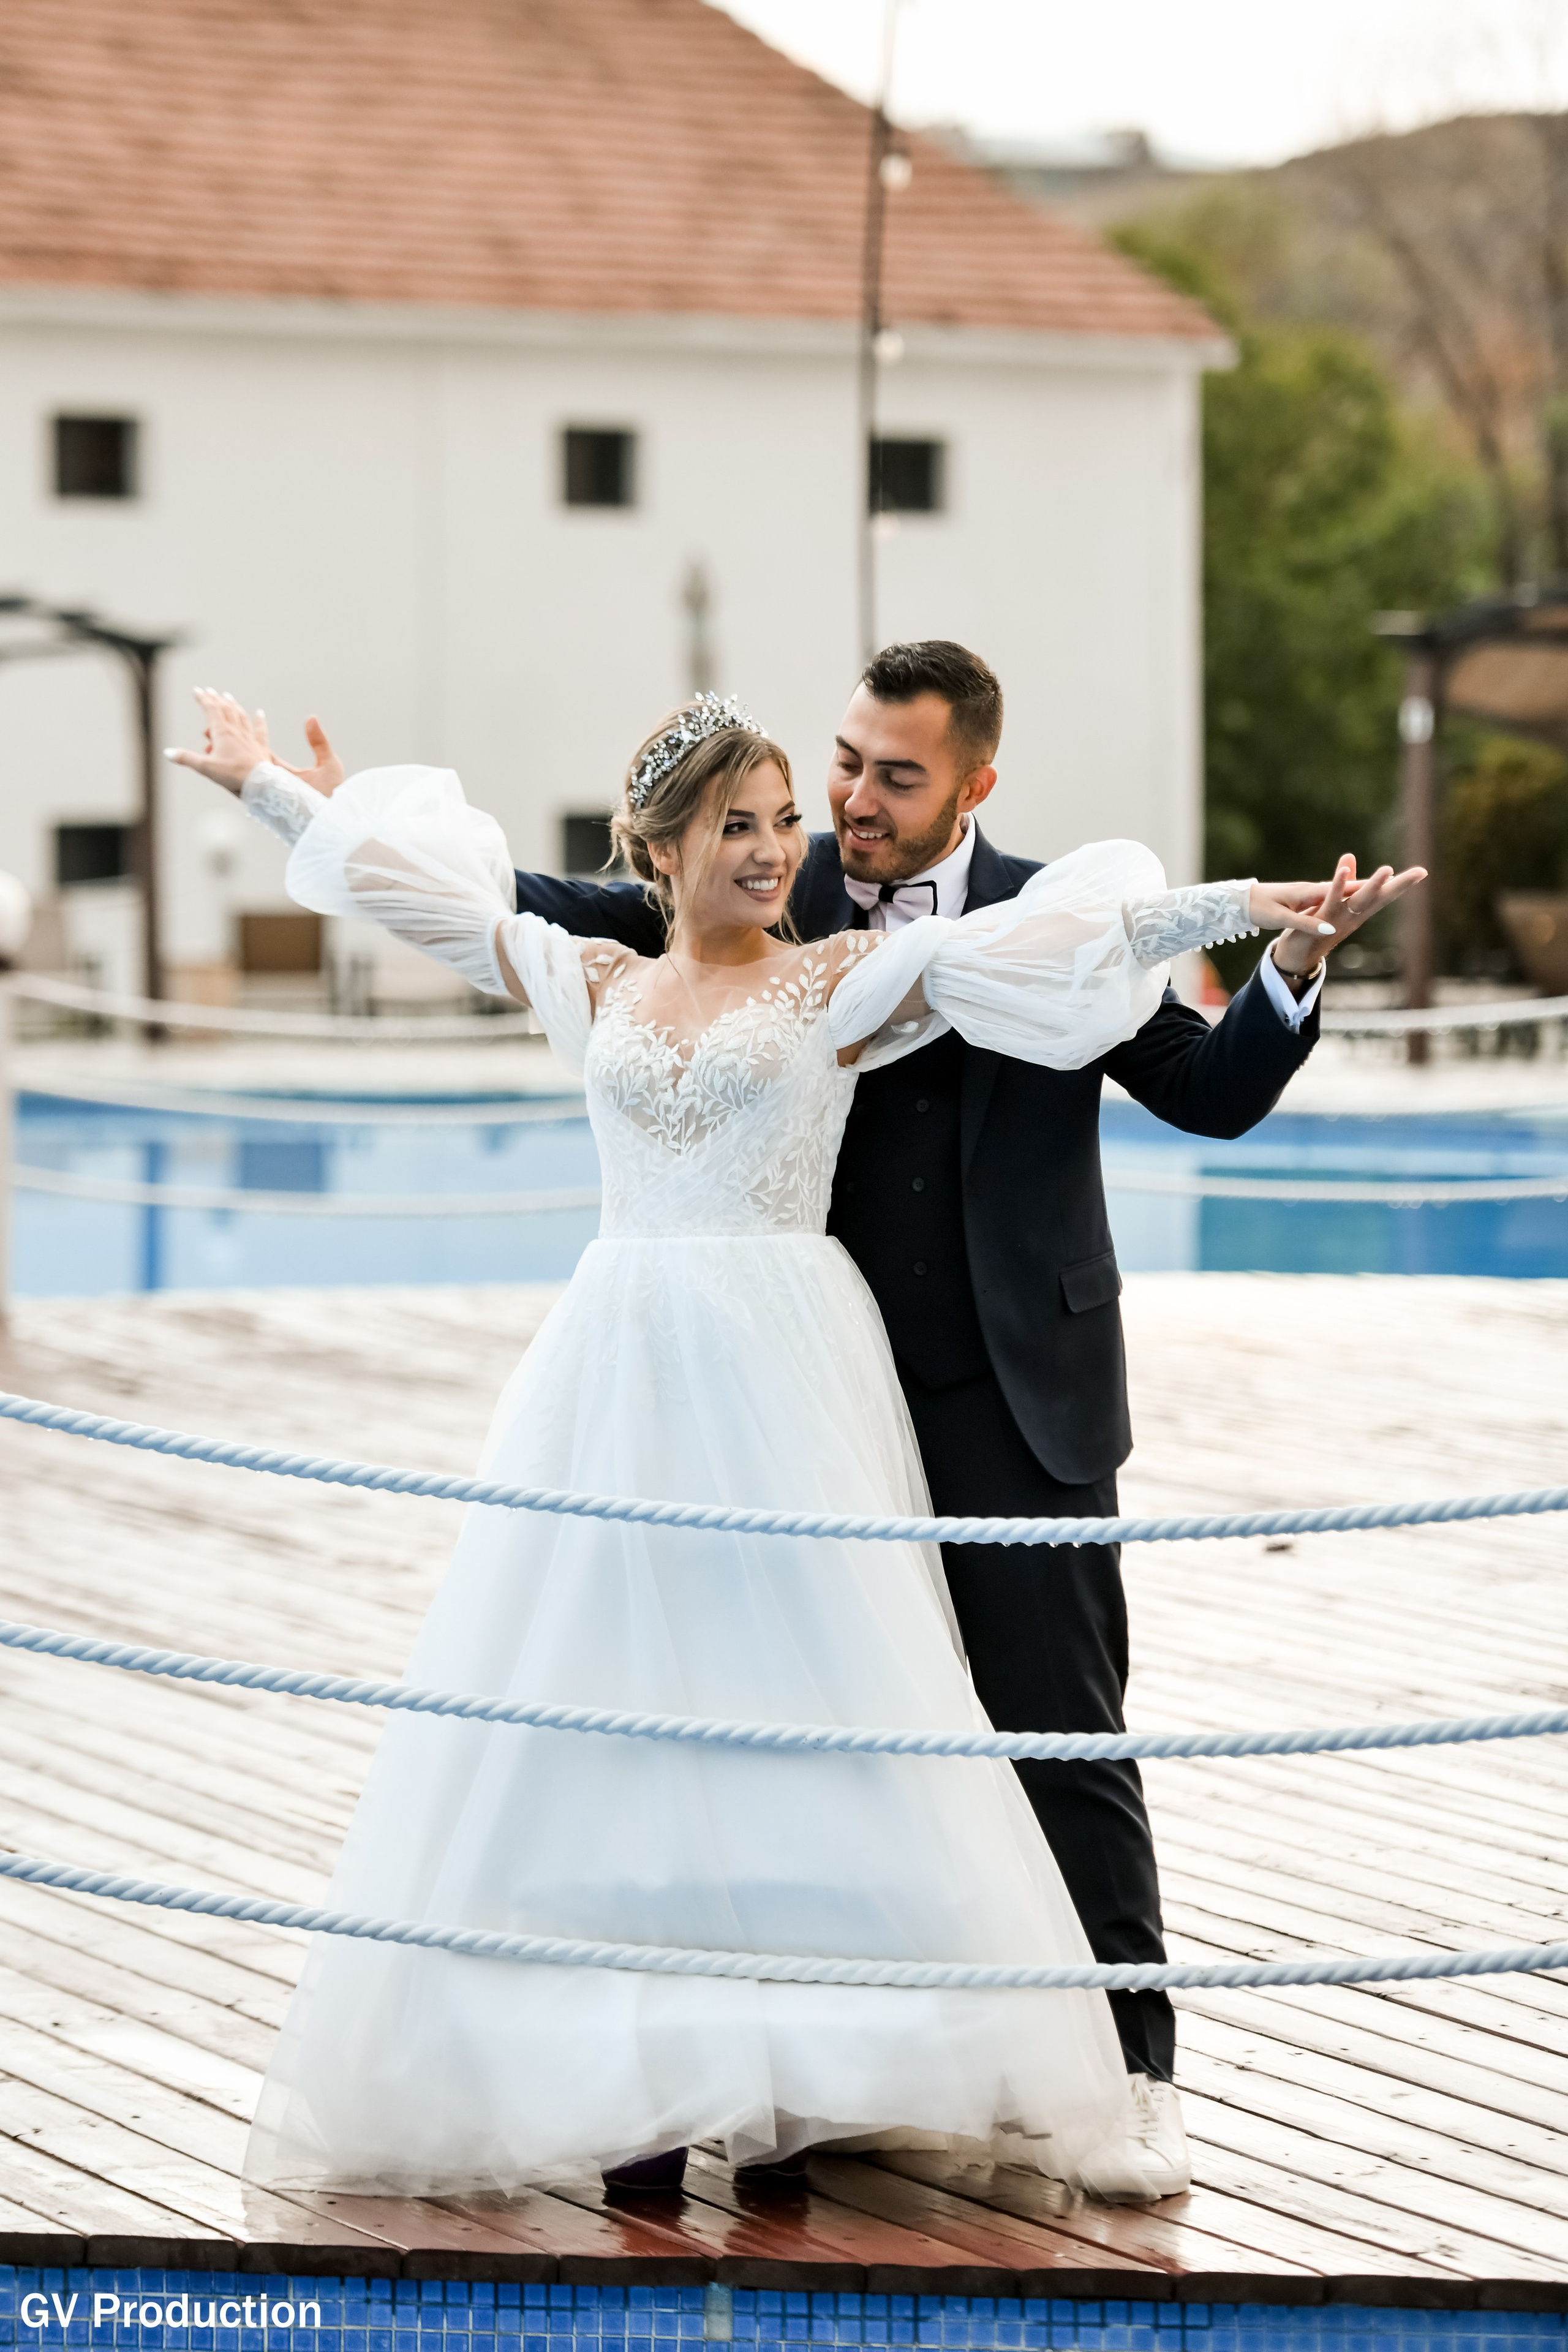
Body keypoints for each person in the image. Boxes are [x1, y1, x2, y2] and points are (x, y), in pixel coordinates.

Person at [167, 684, 1407, 2203]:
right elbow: (433, 904)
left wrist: (1241, 913)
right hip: (616, 1380)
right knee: (615, 1712)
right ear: (662, 848)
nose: (777, 847)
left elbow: (1048, 948)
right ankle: (645, 2075)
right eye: (740, 825)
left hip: (792, 1376)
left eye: (782, 822)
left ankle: (879, 2076)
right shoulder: (597, 980)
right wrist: (268, 796)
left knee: (834, 1717)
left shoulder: (844, 977)